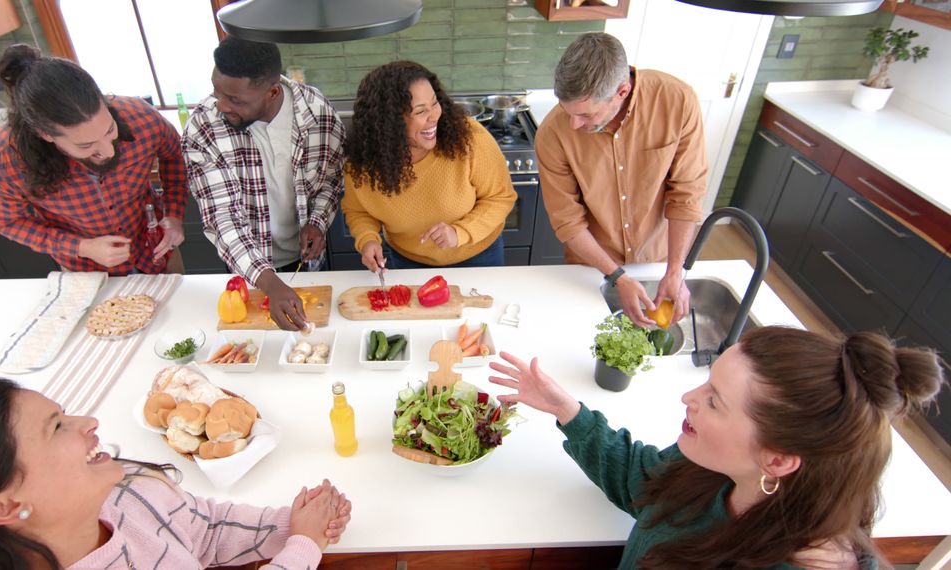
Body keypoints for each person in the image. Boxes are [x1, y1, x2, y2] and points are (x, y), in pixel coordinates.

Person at [488, 326, 944, 569]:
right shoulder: (711, 468)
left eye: (715, 400)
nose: (689, 398)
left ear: (779, 459)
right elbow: (644, 482)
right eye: (705, 384)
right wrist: (569, 412)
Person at [0, 378, 352, 569]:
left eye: (65, 414)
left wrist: (292, 523)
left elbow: (202, 529)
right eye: (56, 428)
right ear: (5, 506)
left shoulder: (118, 490)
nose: (88, 423)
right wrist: (303, 547)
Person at [535, 32, 708, 328]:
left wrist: (674, 272)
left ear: (622, 92)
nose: (574, 124)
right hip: (592, 264)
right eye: (568, 112)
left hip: (659, 257)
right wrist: (617, 277)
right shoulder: (553, 133)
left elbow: (686, 196)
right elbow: (568, 222)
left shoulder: (677, 102)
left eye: (586, 114)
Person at [0, 44, 187, 275]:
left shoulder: (141, 117)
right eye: (86, 145)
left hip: (156, 251)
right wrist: (81, 247)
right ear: (45, 134)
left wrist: (173, 215)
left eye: (109, 130)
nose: (107, 151)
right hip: (87, 271)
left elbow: (176, 157)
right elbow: (4, 222)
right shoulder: (2, 159)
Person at [183, 37, 345, 331]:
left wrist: (318, 221)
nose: (221, 105)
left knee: (315, 335)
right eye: (217, 91)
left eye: (235, 100)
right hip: (248, 268)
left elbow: (331, 179)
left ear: (272, 92)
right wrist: (269, 283)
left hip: (308, 261)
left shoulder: (318, 114)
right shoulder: (203, 127)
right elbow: (223, 218)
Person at [342, 61, 516, 271]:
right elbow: (359, 211)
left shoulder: (469, 137)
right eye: (420, 111)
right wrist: (367, 239)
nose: (434, 116)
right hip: (408, 263)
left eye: (435, 103)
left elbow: (500, 197)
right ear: (391, 122)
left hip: (478, 259)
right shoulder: (363, 163)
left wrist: (459, 232)